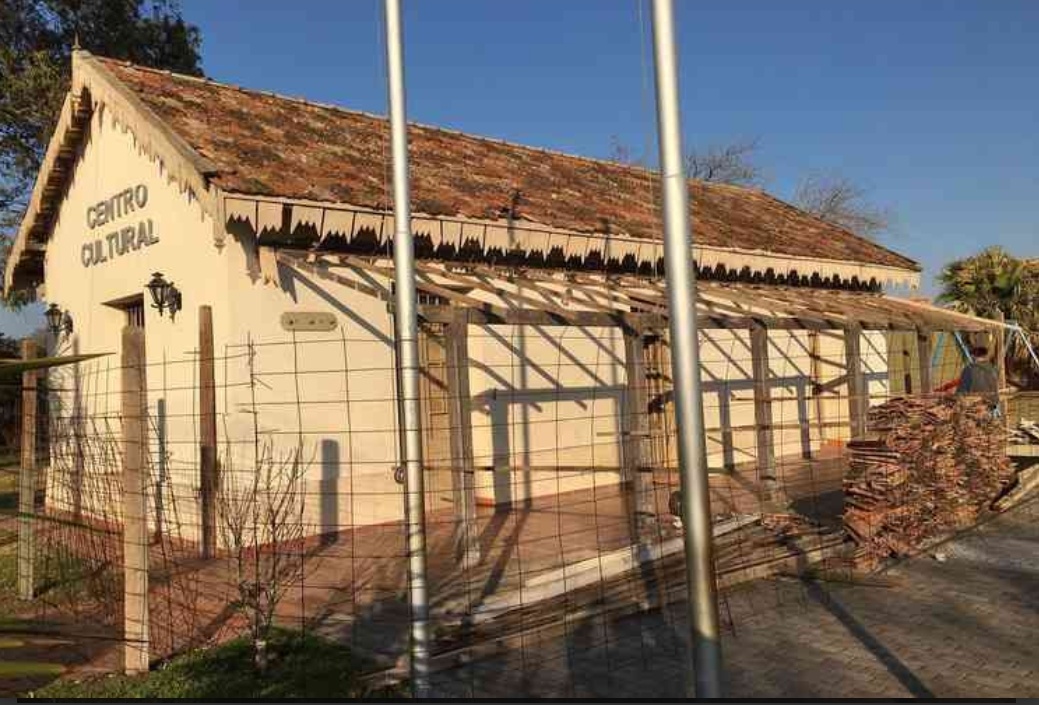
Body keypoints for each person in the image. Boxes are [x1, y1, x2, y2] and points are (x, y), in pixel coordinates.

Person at [956, 345, 1001, 415]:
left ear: (973, 356)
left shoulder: (968, 369)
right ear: (986, 356)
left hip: (977, 406)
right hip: (993, 404)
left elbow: (960, 393)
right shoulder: (994, 369)